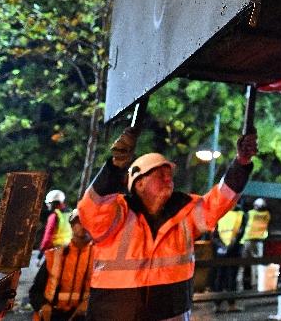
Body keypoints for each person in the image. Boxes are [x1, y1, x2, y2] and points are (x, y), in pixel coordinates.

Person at [77, 126, 257, 320]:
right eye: (159, 174)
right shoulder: (116, 214)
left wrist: (242, 162)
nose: (168, 178)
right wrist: (115, 166)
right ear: (139, 183)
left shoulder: (186, 212)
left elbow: (221, 199)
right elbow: (91, 208)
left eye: (169, 174)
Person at [29, 209, 94, 321]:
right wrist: (42, 306)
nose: (82, 225)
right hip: (53, 315)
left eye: (86, 222)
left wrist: (90, 304)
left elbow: (106, 294)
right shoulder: (53, 256)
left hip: (83, 316)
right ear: (72, 226)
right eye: (78, 222)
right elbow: (35, 291)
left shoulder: (99, 257)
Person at [212, 199, 245, 313]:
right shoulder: (240, 215)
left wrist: (222, 246)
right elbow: (241, 233)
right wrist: (229, 247)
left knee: (221, 277)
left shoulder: (219, 215)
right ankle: (230, 305)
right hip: (233, 250)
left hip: (222, 251)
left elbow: (214, 234)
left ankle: (218, 305)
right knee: (230, 277)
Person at [242, 197, 271, 290]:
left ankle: (239, 285)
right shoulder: (267, 215)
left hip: (247, 240)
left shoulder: (250, 213)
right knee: (256, 264)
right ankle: (255, 285)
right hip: (259, 241)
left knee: (241, 264)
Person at [39, 189, 72, 262]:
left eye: (49, 203)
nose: (48, 206)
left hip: (55, 250)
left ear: (53, 203)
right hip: (69, 249)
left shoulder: (54, 216)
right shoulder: (70, 214)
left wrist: (42, 250)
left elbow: (48, 235)